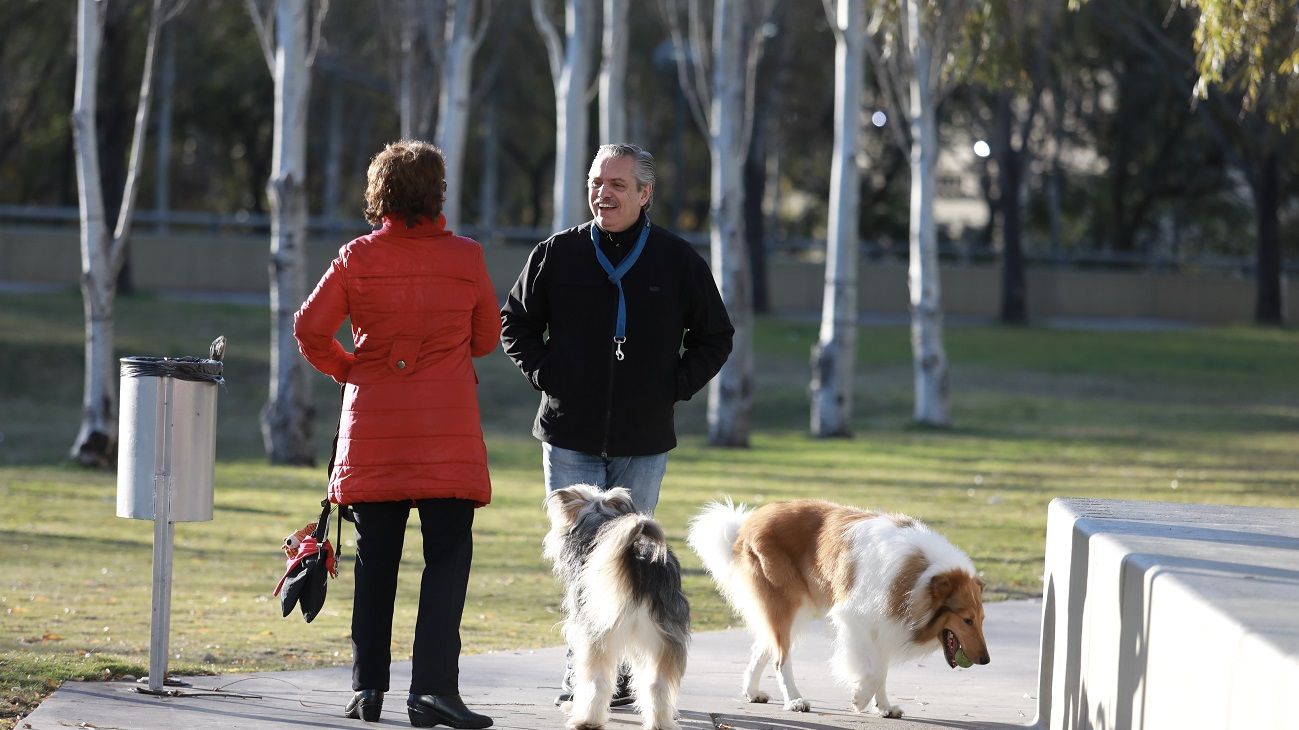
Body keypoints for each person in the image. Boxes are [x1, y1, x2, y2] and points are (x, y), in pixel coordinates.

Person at [499, 142, 733, 704]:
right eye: (596, 182)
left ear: (645, 194)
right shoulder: (558, 253)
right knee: (579, 560)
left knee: (630, 559)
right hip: (569, 436)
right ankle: (583, 674)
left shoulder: (677, 261)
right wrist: (548, 373)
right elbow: (515, 324)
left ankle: (622, 677)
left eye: (617, 185)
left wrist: (671, 387)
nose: (603, 193)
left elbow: (715, 336)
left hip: (643, 441)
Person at [294, 140, 497, 730]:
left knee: (375, 564)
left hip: (373, 434)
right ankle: (433, 690)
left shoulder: (357, 257)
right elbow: (485, 338)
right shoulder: (466, 258)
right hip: (447, 437)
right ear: (437, 192)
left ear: (378, 193)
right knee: (446, 562)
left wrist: (349, 366)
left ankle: (368, 689)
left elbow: (309, 328)